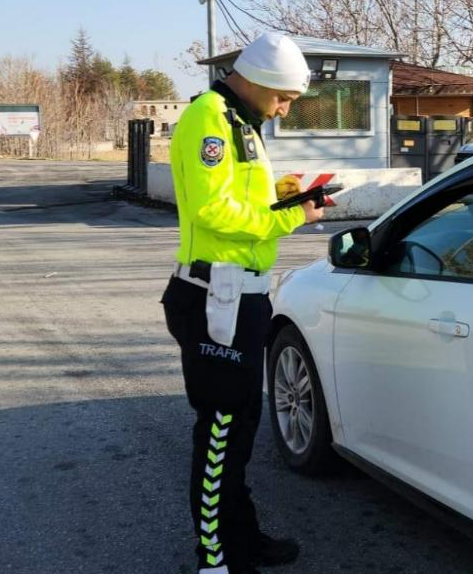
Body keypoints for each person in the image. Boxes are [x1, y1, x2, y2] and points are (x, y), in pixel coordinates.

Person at [161, 32, 324, 574]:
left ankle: (241, 538)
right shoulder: (210, 117)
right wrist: (290, 218)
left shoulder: (240, 122)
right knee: (220, 434)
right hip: (215, 297)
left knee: (241, 427)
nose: (283, 109)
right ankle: (214, 557)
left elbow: (238, 197)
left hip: (241, 294)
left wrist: (280, 193)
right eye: (282, 98)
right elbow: (213, 211)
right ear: (252, 81)